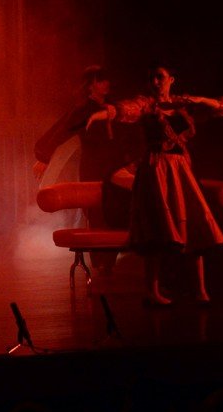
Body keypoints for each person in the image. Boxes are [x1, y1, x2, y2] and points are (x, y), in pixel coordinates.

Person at [85, 63, 223, 306]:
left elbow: (221, 109)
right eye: (152, 77)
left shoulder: (181, 105)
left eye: (160, 77)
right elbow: (123, 110)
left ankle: (200, 290)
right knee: (159, 229)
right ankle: (152, 291)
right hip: (157, 169)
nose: (155, 82)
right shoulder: (146, 105)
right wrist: (98, 115)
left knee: (194, 226)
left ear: (171, 79)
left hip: (181, 169)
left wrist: (198, 99)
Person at [31, 64, 142, 274]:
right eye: (101, 81)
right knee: (97, 213)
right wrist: (43, 157)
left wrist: (130, 161)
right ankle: (101, 263)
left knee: (115, 210)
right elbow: (61, 129)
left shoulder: (112, 109)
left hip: (115, 167)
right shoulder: (83, 110)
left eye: (106, 80)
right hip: (94, 167)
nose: (106, 84)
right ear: (91, 85)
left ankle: (111, 259)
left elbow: (125, 137)